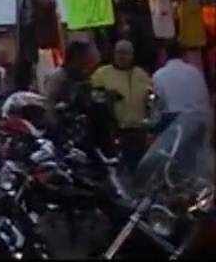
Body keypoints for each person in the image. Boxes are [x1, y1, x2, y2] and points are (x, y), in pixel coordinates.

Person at [90, 40, 152, 172]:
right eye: (119, 52)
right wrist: (107, 96)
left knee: (141, 168)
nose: (122, 56)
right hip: (116, 132)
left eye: (126, 53)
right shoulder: (102, 74)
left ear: (132, 55)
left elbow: (151, 98)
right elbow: (93, 98)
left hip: (139, 130)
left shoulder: (141, 74)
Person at [152, 39, 213, 133]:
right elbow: (204, 98)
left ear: (164, 53)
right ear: (184, 53)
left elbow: (157, 104)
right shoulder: (195, 72)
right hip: (199, 121)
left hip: (173, 124)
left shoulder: (159, 75)